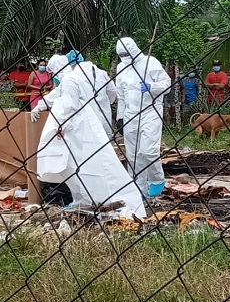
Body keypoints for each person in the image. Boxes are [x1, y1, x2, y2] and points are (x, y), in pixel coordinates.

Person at [31, 51, 146, 219]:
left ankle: (93, 197)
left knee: (86, 163)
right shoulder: (90, 74)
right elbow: (60, 95)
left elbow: (68, 104)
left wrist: (60, 125)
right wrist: (40, 105)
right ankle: (83, 198)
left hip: (78, 126)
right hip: (94, 120)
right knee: (93, 161)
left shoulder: (71, 79)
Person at [115, 37, 171, 197]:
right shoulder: (121, 68)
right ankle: (137, 187)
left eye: (126, 54)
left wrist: (152, 87)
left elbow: (167, 84)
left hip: (150, 112)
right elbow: (121, 95)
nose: (124, 57)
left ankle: (157, 179)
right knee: (133, 154)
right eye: (121, 55)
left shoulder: (150, 62)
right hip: (130, 115)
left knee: (148, 151)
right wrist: (120, 117)